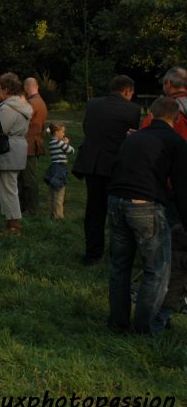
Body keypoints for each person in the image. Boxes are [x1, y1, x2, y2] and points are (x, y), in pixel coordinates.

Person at [107, 97, 187, 335]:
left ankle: (118, 321)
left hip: (116, 200)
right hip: (145, 205)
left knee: (120, 265)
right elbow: (182, 187)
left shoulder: (134, 138)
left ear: (150, 114)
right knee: (157, 268)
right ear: (176, 117)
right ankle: (145, 325)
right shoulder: (176, 142)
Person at [72, 75, 140, 265]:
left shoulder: (93, 104)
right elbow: (132, 138)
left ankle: (93, 253)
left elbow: (87, 128)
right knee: (117, 212)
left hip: (92, 163)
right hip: (115, 165)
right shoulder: (133, 110)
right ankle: (117, 254)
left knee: (94, 210)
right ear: (127, 91)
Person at [0, 73, 32, 236]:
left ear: (6, 89)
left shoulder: (8, 108)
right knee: (10, 186)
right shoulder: (22, 105)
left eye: (1, 89)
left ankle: (13, 226)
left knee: (8, 188)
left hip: (8, 148)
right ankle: (11, 223)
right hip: (19, 146)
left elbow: (0, 129)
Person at [18, 77, 48, 216]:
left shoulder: (31, 103)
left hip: (28, 143)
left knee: (28, 178)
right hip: (33, 141)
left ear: (26, 87)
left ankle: (30, 209)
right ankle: (26, 206)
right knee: (27, 176)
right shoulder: (40, 101)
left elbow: (21, 120)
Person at [44, 122, 75, 219]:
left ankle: (51, 213)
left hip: (53, 167)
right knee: (59, 193)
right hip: (60, 169)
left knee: (52, 192)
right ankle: (58, 216)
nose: (64, 134)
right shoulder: (59, 142)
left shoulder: (51, 141)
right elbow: (71, 151)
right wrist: (66, 143)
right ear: (57, 132)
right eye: (62, 132)